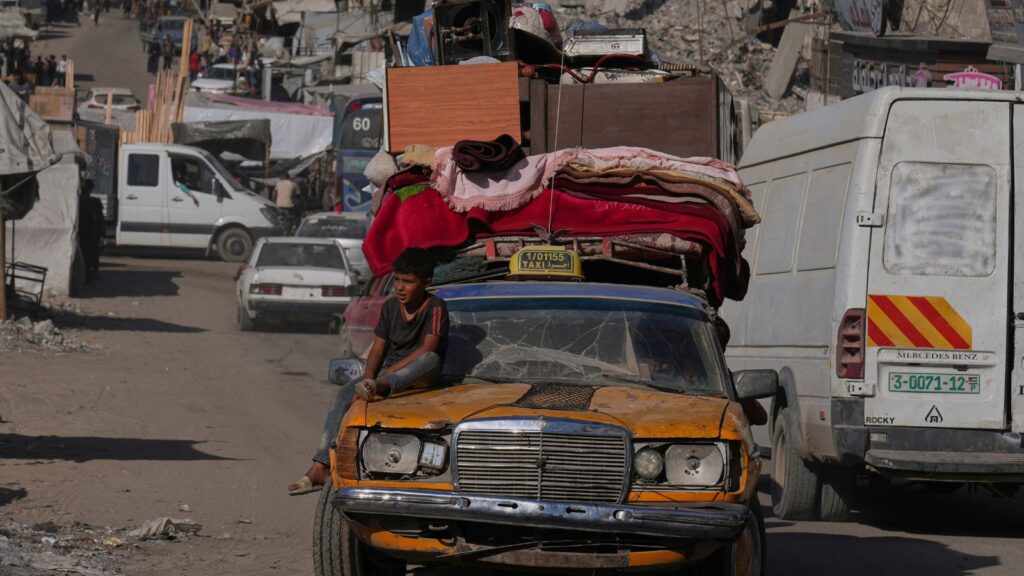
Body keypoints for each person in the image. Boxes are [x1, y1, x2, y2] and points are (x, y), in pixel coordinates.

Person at [287, 248, 448, 495]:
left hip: (419, 379)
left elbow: (429, 347)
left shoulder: (435, 307)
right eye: (397, 280)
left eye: (408, 282)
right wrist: (368, 377)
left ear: (426, 283)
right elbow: (378, 349)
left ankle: (380, 387)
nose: (400, 287)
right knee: (341, 396)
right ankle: (321, 465)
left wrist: (384, 379)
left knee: (429, 358)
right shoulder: (391, 307)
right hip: (382, 380)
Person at [77, 180, 104, 284]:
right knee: (91, 255)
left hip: (80, 232)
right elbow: (97, 219)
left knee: (83, 255)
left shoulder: (77, 200)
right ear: (91, 188)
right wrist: (100, 232)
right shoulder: (94, 201)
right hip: (91, 233)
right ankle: (90, 276)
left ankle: (85, 276)